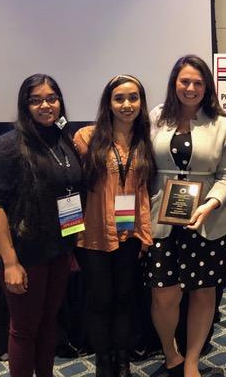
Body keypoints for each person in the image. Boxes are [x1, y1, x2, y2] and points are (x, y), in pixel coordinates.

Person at [146, 55, 226, 377]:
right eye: (185, 81)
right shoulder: (156, 118)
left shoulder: (223, 125)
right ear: (175, 83)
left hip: (208, 223)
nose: (191, 88)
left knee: (203, 293)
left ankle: (191, 362)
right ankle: (171, 354)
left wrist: (210, 203)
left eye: (198, 83)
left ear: (207, 87)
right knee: (164, 295)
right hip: (163, 220)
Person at [0, 74, 84, 377]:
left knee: (48, 322)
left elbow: (70, 195)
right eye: (36, 99)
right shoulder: (8, 146)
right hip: (24, 255)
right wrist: (11, 261)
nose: (45, 105)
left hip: (57, 250)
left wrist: (71, 244)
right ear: (25, 105)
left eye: (51, 98)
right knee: (25, 329)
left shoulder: (62, 138)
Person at [73, 75, 155, 376]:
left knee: (124, 297)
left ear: (141, 103)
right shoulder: (86, 137)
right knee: (100, 300)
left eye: (133, 98)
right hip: (93, 233)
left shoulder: (147, 140)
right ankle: (103, 361)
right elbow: (68, 189)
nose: (126, 104)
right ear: (108, 103)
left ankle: (122, 360)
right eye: (119, 98)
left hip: (129, 231)